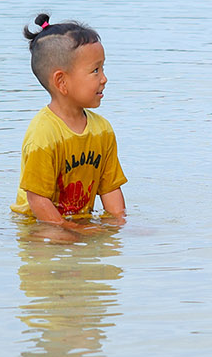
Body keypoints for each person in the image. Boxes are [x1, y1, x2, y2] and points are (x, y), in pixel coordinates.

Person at [13, 14, 127, 227]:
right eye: (95, 70)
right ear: (61, 81)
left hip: (76, 222)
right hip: (37, 224)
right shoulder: (43, 134)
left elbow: (110, 188)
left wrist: (119, 225)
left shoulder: (102, 130)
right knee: (50, 236)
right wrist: (69, 229)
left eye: (103, 68)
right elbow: (37, 199)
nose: (104, 78)